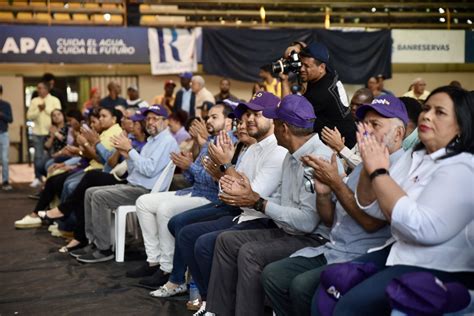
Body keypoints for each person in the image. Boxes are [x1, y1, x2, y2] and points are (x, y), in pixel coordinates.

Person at [318, 86, 474, 315]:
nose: (427, 115)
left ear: (460, 126)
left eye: (440, 112)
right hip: (399, 254)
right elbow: (373, 208)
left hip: (438, 266)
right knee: (328, 290)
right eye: (427, 108)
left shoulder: (462, 166)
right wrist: (367, 166)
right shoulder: (416, 156)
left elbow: (422, 228)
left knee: (348, 307)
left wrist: (378, 172)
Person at [261, 94, 408, 316]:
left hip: (362, 255)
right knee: (273, 275)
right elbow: (331, 220)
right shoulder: (361, 166)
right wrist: (322, 193)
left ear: (399, 133)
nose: (365, 130)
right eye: (364, 123)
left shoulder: (401, 169)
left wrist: (337, 184)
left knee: (301, 286)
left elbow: (370, 224)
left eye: (375, 124)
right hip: (334, 248)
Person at [200, 94, 343, 316]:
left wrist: (257, 202)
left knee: (250, 253)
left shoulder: (318, 159)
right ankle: (218, 311)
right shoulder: (291, 155)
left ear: (283, 128)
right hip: (290, 231)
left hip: (315, 239)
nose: (273, 128)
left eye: (275, 123)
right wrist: (251, 196)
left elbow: (306, 222)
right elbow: (284, 203)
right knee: (226, 241)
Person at [155, 92, 286, 304]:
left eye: (257, 114)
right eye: (247, 115)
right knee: (186, 233)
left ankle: (218, 301)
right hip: (242, 213)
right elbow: (226, 191)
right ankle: (209, 298)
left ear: (273, 117)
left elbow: (248, 196)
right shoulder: (253, 149)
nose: (249, 119)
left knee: (202, 242)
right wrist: (225, 173)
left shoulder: (278, 151)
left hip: (262, 219)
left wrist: (225, 166)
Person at [42, 105, 179, 263]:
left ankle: (104, 248)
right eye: (148, 118)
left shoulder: (167, 142)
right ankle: (92, 241)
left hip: (146, 191)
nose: (150, 122)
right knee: (90, 192)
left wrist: (130, 150)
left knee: (99, 196)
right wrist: (126, 155)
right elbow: (137, 169)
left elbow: (148, 170)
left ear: (166, 121)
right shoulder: (152, 141)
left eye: (155, 118)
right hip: (134, 184)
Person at [125, 103, 235, 288]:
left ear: (228, 122)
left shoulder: (225, 143)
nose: (208, 120)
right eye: (208, 116)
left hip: (210, 197)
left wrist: (191, 163)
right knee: (143, 202)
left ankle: (167, 269)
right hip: (194, 191)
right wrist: (189, 163)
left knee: (165, 209)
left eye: (214, 117)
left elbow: (214, 181)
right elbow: (191, 177)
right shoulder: (211, 141)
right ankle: (154, 260)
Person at [281, 42, 357, 149]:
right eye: (301, 64)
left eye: (307, 66)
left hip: (342, 149)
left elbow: (288, 112)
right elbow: (314, 51)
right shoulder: (329, 71)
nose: (301, 69)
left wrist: (284, 80)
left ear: (321, 67)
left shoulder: (320, 95)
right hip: (348, 136)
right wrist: (296, 47)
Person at [321, 88, 374, 171]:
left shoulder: (374, 132)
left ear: (370, 107)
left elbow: (364, 167)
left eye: (359, 105)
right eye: (352, 104)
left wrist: (341, 148)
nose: (353, 107)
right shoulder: (349, 125)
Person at [27, 81, 62, 188]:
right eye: (38, 88)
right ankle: (37, 178)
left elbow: (58, 114)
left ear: (46, 89)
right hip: (38, 132)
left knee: (50, 156)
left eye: (41, 88)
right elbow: (29, 116)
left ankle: (49, 178)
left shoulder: (54, 100)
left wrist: (45, 109)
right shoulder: (34, 101)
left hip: (51, 133)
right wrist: (38, 109)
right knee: (37, 157)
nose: (39, 90)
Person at [0, 84, 13, 190]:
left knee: (4, 159)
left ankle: (5, 181)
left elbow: (10, 119)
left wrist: (1, 114)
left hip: (3, 133)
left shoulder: (6, 105)